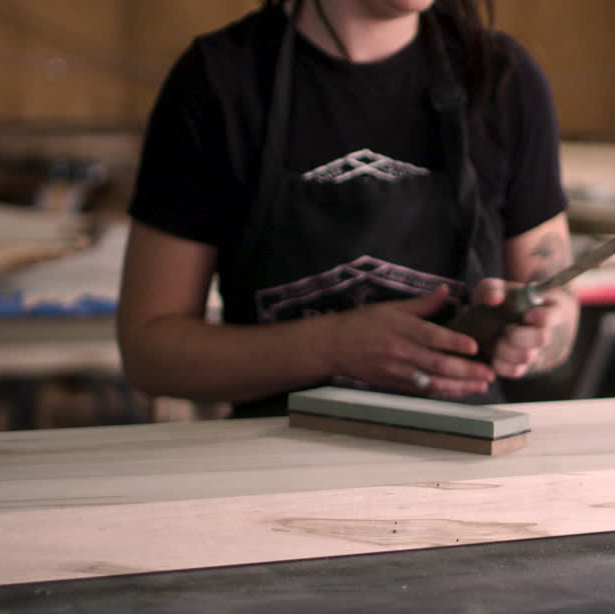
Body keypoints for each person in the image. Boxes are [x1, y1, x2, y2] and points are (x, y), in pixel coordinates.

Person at [118, 0, 576, 417]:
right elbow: (148, 353)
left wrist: (540, 335)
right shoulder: (219, 80)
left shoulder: (503, 79)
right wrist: (330, 346)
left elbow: (560, 313)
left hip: (459, 468)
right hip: (273, 472)